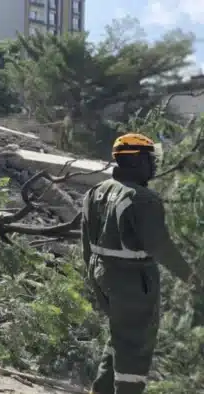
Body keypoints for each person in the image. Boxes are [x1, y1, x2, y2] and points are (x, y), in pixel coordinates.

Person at [81, 133, 202, 394]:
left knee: (120, 336)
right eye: (149, 159)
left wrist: (95, 277)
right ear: (136, 161)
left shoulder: (95, 192)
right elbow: (162, 248)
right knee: (135, 346)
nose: (153, 165)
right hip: (132, 280)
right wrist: (193, 279)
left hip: (101, 273)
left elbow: (85, 245)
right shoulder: (142, 198)